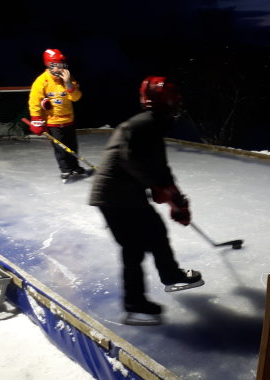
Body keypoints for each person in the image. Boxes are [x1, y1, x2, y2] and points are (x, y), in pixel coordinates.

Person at [89, 76, 204, 326]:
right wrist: (164, 190)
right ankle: (136, 306)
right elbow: (133, 161)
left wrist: (174, 199)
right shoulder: (147, 124)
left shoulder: (151, 123)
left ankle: (170, 276)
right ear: (169, 101)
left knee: (154, 233)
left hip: (120, 194)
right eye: (175, 100)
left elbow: (158, 167)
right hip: (117, 196)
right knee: (135, 247)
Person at [28, 48, 88, 182]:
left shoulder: (68, 78)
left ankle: (75, 166)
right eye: (57, 64)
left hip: (68, 119)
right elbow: (34, 101)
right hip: (53, 122)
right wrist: (37, 119)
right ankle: (65, 169)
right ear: (49, 64)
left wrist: (68, 83)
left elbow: (76, 97)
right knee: (60, 148)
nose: (61, 67)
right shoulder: (41, 81)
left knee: (72, 146)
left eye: (62, 63)